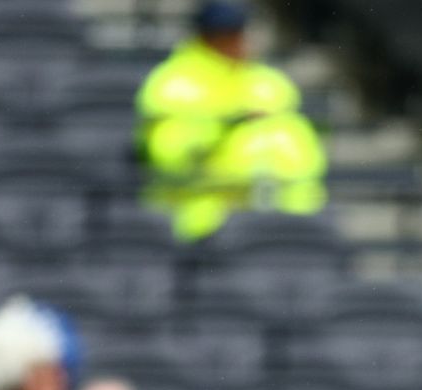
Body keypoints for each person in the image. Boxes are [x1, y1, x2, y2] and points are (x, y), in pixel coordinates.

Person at [136, 0, 326, 240]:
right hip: (204, 218)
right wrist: (228, 125)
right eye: (224, 34)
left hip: (277, 211)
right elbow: (170, 155)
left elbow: (300, 149)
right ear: (204, 37)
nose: (235, 41)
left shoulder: (269, 82)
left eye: (237, 32)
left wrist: (300, 204)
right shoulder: (172, 84)